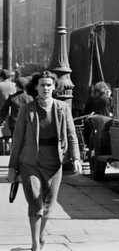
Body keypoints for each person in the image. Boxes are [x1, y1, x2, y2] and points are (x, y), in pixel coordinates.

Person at [7, 71, 83, 251]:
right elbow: (18, 139)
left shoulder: (62, 108)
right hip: (30, 162)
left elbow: (71, 135)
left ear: (54, 87)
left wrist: (76, 157)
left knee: (48, 206)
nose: (46, 88)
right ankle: (35, 244)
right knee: (35, 201)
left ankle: (40, 237)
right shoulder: (27, 109)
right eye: (42, 85)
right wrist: (12, 167)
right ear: (36, 87)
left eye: (49, 85)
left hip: (54, 163)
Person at [0, 77, 34, 153]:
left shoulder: (12, 98)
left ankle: (16, 160)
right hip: (28, 123)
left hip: (14, 123)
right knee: (27, 142)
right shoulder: (30, 97)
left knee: (17, 143)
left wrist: (1, 121)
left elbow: (4, 111)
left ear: (17, 86)